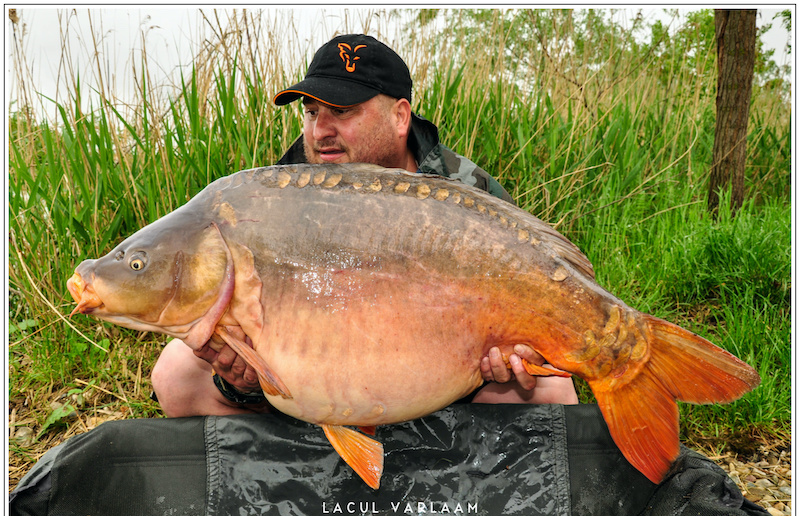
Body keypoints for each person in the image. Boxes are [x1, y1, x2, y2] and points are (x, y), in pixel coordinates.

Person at [150, 34, 578, 418]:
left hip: (439, 373)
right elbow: (256, 348)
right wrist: (242, 380)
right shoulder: (276, 200)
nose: (320, 130)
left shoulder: (464, 192)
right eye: (312, 111)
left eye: (342, 110)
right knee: (176, 374)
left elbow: (530, 296)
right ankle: (303, 464)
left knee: (551, 389)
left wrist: (510, 361)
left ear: (399, 116)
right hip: (314, 375)